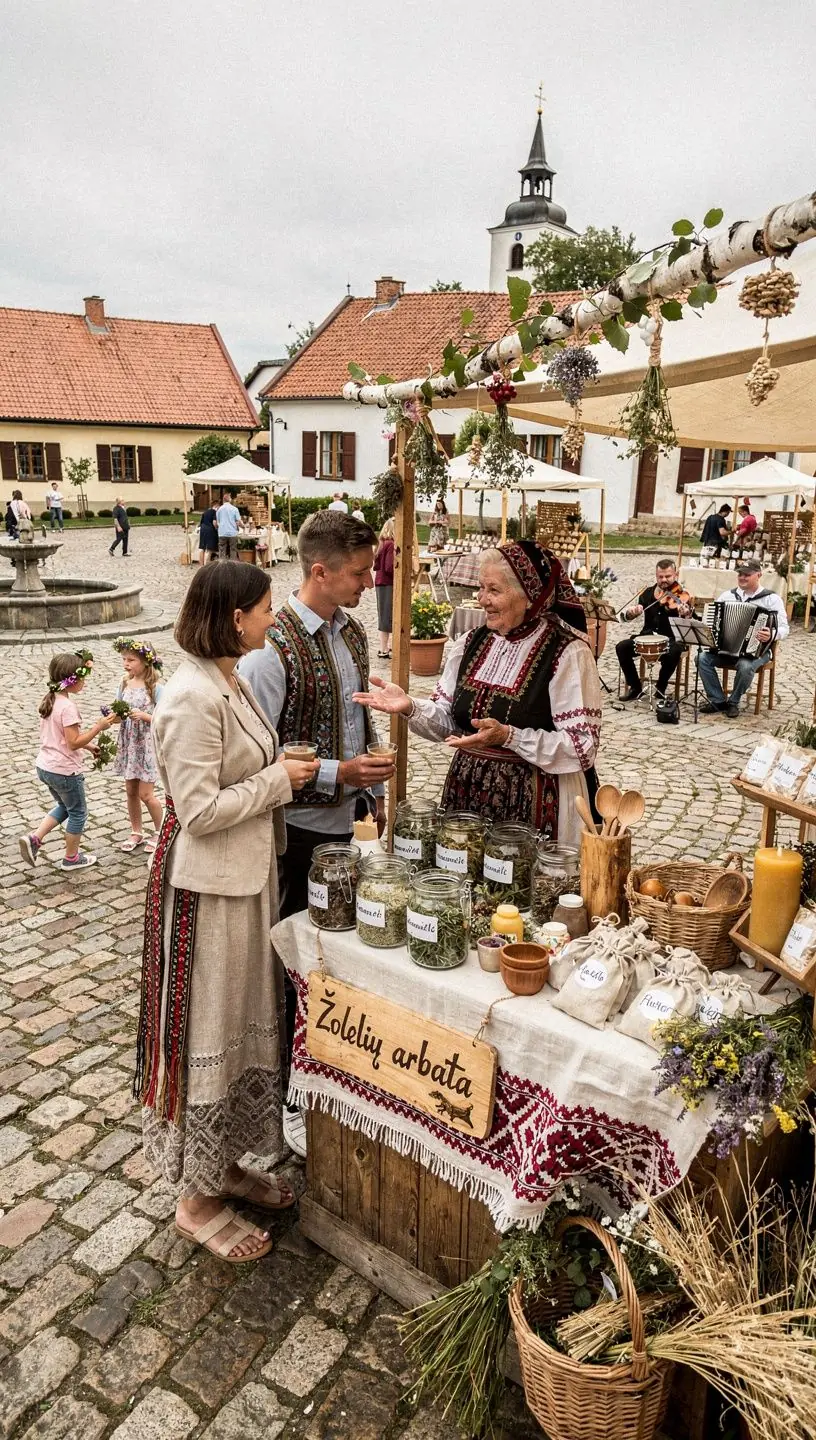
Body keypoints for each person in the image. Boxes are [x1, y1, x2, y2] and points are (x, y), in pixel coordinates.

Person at [136, 562, 319, 1262]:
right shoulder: (190, 694)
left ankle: (226, 1167)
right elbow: (200, 811)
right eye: (268, 608)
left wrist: (279, 771)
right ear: (235, 616)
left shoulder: (227, 675)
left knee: (243, 1022)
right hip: (206, 891)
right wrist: (279, 781)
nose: (275, 618)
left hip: (242, 882)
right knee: (209, 1027)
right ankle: (195, 1200)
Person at [239, 511, 395, 1157]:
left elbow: (361, 723)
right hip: (294, 831)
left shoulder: (353, 633)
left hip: (345, 827)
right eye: (359, 574)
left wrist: (374, 786)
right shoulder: (269, 651)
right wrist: (340, 771)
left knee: (334, 956)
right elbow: (254, 759)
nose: (369, 583)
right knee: (291, 960)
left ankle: (325, 1069)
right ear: (320, 571)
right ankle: (286, 1090)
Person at [353, 540, 601, 849]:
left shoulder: (567, 653)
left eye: (494, 590)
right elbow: (452, 724)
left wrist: (509, 736)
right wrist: (410, 707)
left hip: (537, 803)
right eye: (481, 588)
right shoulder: (471, 642)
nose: (482, 599)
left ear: (530, 596)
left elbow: (582, 748)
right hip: (468, 795)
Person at [19, 651, 118, 871]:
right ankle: (71, 858)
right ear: (72, 680)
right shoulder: (68, 707)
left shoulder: (51, 699)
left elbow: (63, 738)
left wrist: (90, 745)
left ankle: (35, 839)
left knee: (65, 806)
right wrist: (98, 727)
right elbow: (72, 743)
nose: (84, 682)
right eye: (82, 677)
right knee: (78, 812)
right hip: (64, 771)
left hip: (45, 766)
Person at [697, 559, 789, 718]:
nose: (742, 577)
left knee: (746, 666)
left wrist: (772, 634)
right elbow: (711, 622)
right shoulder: (727, 596)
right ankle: (717, 699)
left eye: (747, 574)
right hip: (725, 650)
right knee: (701, 658)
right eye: (740, 574)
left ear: (758, 575)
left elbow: (785, 628)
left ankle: (733, 702)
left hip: (758, 651)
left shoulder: (771, 599)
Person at [110, 638, 165, 854]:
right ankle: (136, 830)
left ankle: (161, 831)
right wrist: (112, 717)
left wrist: (145, 716)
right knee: (131, 791)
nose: (126, 663)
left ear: (145, 661)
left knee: (146, 794)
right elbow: (117, 711)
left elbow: (166, 718)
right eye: (124, 659)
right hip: (129, 743)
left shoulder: (156, 687)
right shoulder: (124, 683)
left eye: (131, 660)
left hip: (147, 745)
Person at [615, 559, 691, 704]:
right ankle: (635, 687)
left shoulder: (680, 595)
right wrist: (632, 613)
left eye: (668, 576)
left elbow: (689, 619)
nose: (664, 580)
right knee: (622, 647)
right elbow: (630, 615)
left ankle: (660, 687)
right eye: (660, 577)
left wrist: (685, 614)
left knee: (675, 650)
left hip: (670, 639)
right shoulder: (647, 593)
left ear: (675, 574)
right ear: (656, 576)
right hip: (647, 638)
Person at [373, 518, 395, 658]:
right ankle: (386, 648)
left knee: (383, 615)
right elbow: (389, 567)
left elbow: (376, 565)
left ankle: (384, 648)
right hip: (388, 582)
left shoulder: (381, 543)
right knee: (388, 616)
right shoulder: (391, 544)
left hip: (380, 582)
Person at [215, 492, 241, 559]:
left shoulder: (219, 509)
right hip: (232, 532)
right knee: (233, 550)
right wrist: (240, 527)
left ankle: (222, 565)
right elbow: (238, 521)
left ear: (223, 500)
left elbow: (218, 522)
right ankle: (232, 565)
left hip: (222, 532)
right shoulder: (235, 509)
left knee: (222, 550)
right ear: (229, 500)